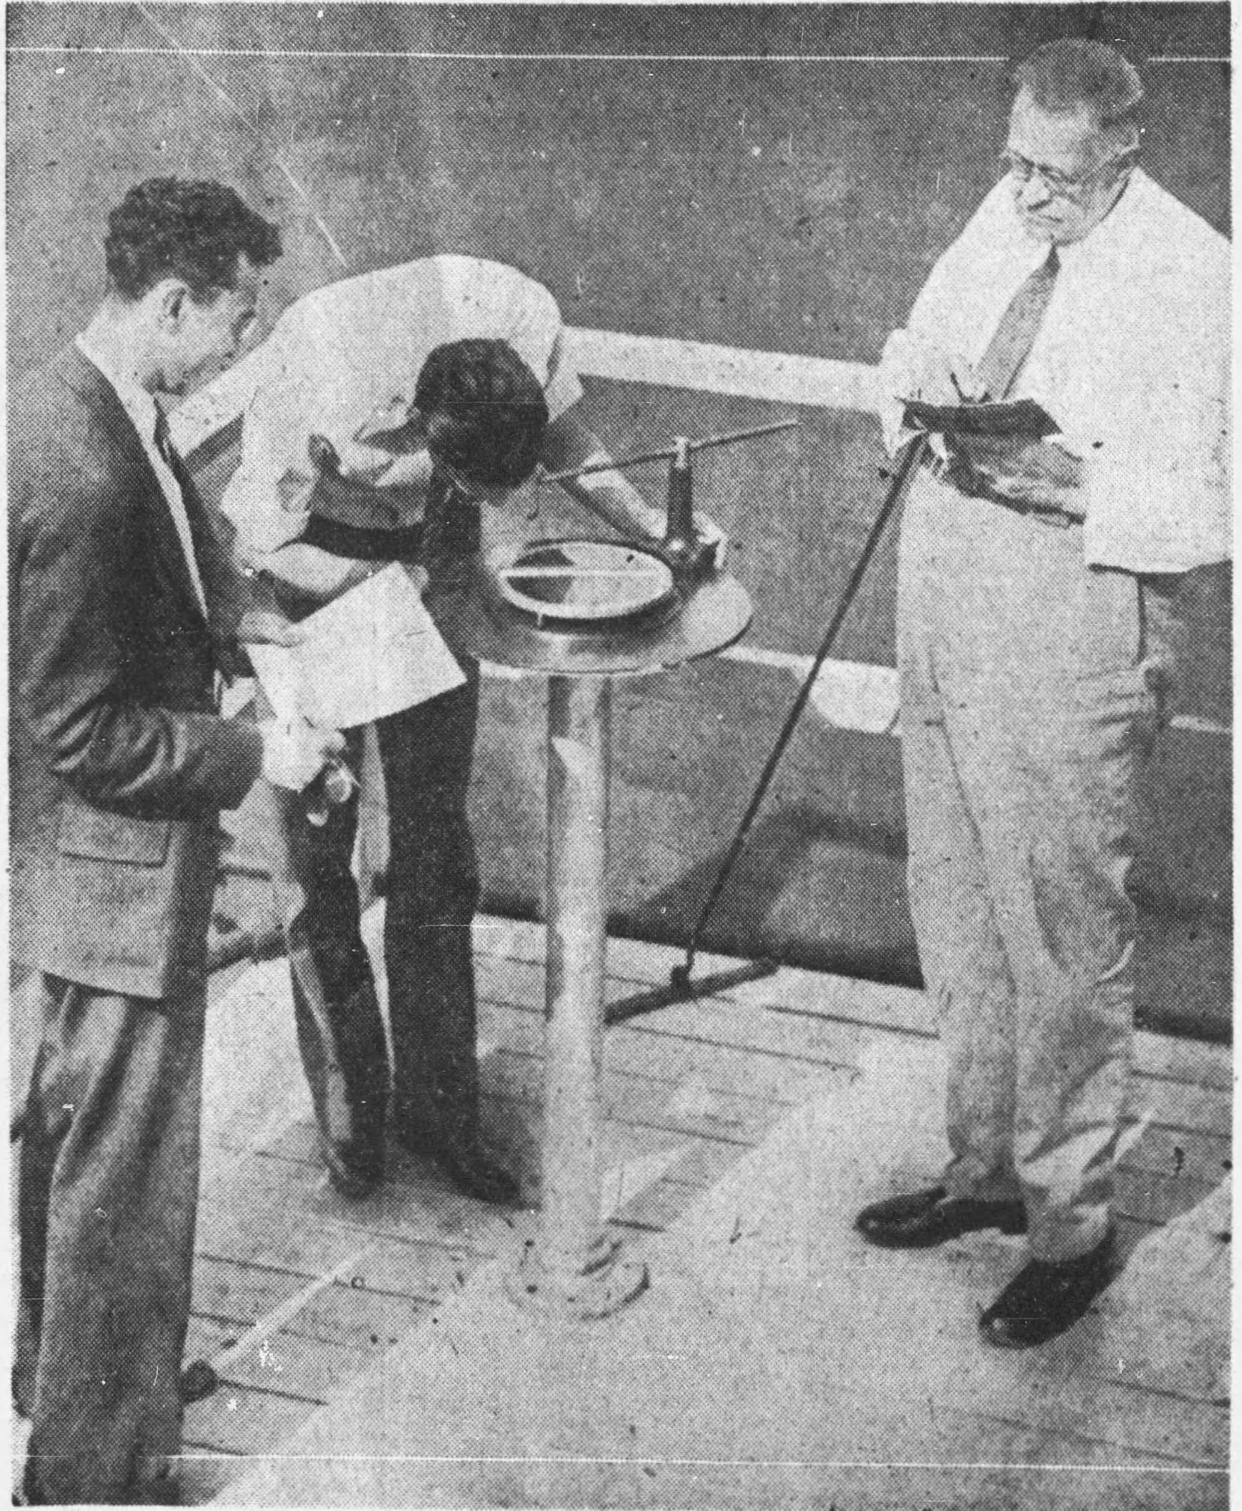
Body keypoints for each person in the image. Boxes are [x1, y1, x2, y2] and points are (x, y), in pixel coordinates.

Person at [856, 40, 1229, 1347]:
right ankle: (984, 1169)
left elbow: (1211, 499)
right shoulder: (1010, 202)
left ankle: (1068, 1221)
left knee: (1060, 919)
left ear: (1119, 157)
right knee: (952, 886)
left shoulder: (1196, 278)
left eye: (1053, 178)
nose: (1023, 194)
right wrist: (917, 390)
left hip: (1070, 587)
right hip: (944, 560)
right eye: (1011, 160)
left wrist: (1072, 478)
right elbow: (911, 337)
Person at [224, 256, 721, 1205]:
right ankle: (351, 1120)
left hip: (425, 559)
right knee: (319, 868)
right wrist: (380, 592)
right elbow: (261, 543)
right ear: (417, 427)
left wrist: (654, 526)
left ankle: (442, 1112)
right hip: (313, 570)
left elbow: (564, 438)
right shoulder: (314, 370)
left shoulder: (520, 315)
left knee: (435, 856)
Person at [10, 177, 343, 1504]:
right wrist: (260, 748)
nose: (245, 340)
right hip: (116, 876)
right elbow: (83, 731)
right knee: (124, 1180)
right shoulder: (87, 472)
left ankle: (75, 1371)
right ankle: (94, 1473)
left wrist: (249, 623)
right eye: (236, 315)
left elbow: (181, 525)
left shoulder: (84, 400)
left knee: (68, 1136)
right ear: (170, 301)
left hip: (64, 870)